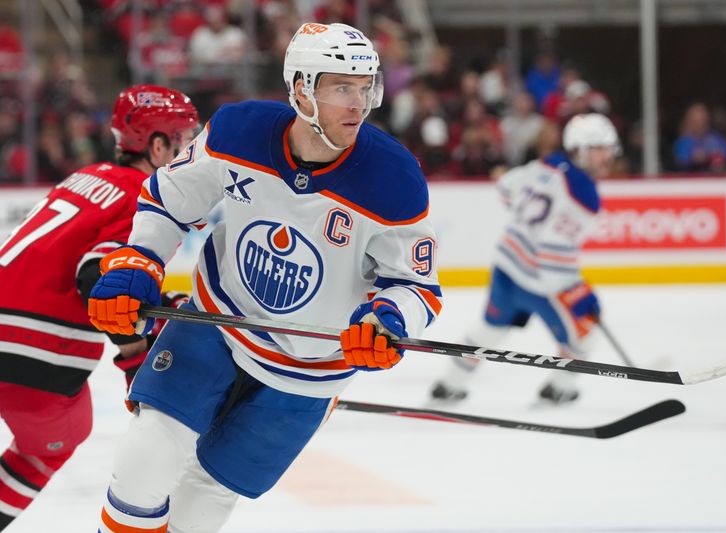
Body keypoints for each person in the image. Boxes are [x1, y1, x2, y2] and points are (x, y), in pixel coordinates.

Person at [88, 22, 442, 533]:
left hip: (310, 368)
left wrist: (387, 318)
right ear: (301, 88)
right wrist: (139, 259)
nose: (358, 104)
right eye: (342, 87)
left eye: (366, 88)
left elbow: (417, 286)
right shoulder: (238, 131)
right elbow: (170, 199)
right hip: (218, 320)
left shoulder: (394, 181)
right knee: (142, 468)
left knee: (199, 510)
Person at [0, 84, 198, 530]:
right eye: (184, 141)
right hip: (35, 349)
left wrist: (158, 304)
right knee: (55, 441)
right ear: (157, 145)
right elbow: (97, 279)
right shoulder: (148, 196)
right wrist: (135, 357)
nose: (191, 154)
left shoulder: (89, 175)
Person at [430, 113, 619, 405]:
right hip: (539, 283)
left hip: (506, 266)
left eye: (608, 148)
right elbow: (554, 256)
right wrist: (580, 292)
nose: (607, 156)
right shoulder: (585, 196)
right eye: (600, 148)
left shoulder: (549, 163)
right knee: (584, 334)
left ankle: (448, 384)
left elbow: (506, 188)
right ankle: (559, 389)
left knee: (490, 330)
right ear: (581, 148)